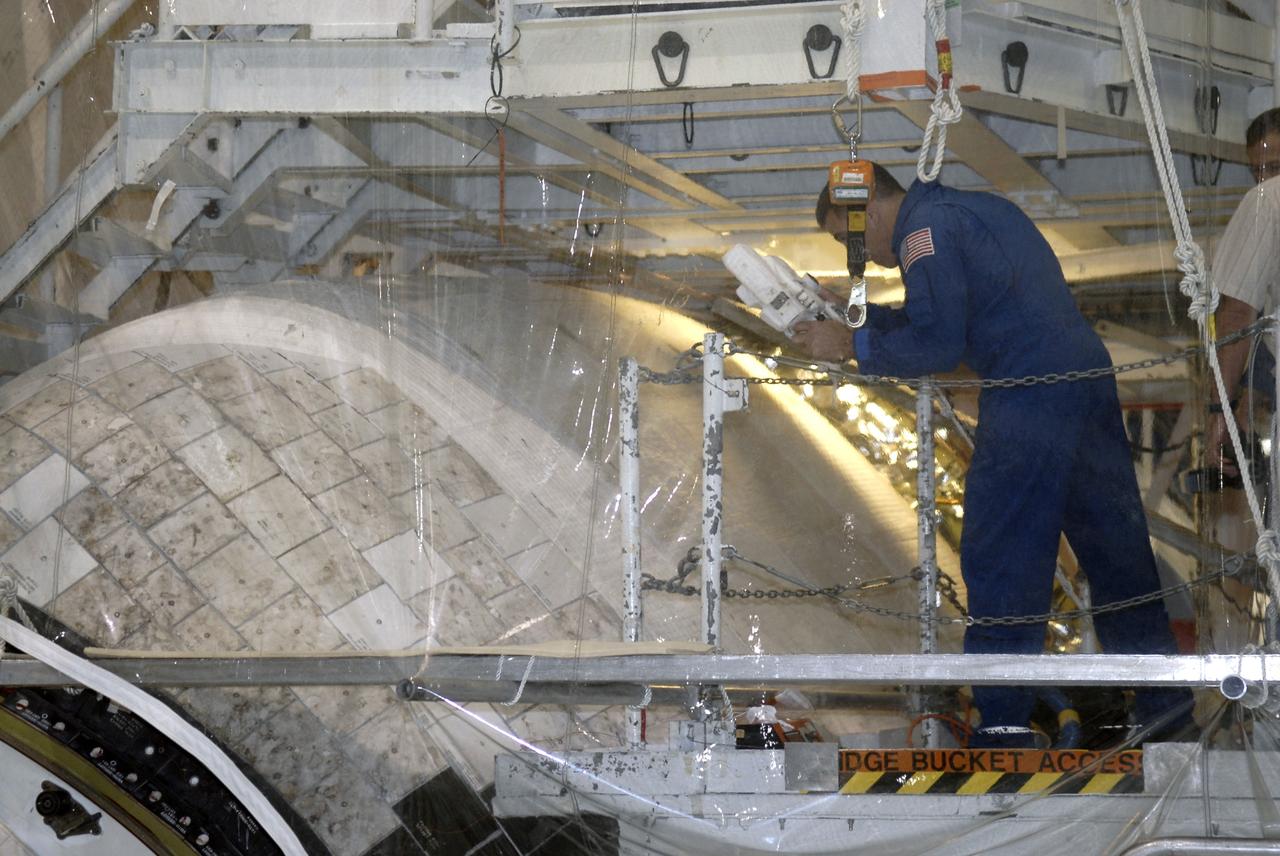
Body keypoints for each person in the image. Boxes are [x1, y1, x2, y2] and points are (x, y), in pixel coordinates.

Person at [793, 164, 1193, 747]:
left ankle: (1003, 724)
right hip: (1084, 377)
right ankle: (1168, 709)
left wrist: (850, 347)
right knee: (1116, 554)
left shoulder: (920, 234)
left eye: (845, 237)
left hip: (1030, 389)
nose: (855, 252)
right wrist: (860, 317)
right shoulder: (970, 210)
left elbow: (938, 342)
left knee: (1003, 550)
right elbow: (939, 316)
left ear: (868, 213)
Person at [1205, 107, 1280, 478]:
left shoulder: (1267, 201)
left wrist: (1219, 415)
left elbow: (1237, 313)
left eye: (1275, 169)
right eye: (1258, 172)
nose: (1265, 181)